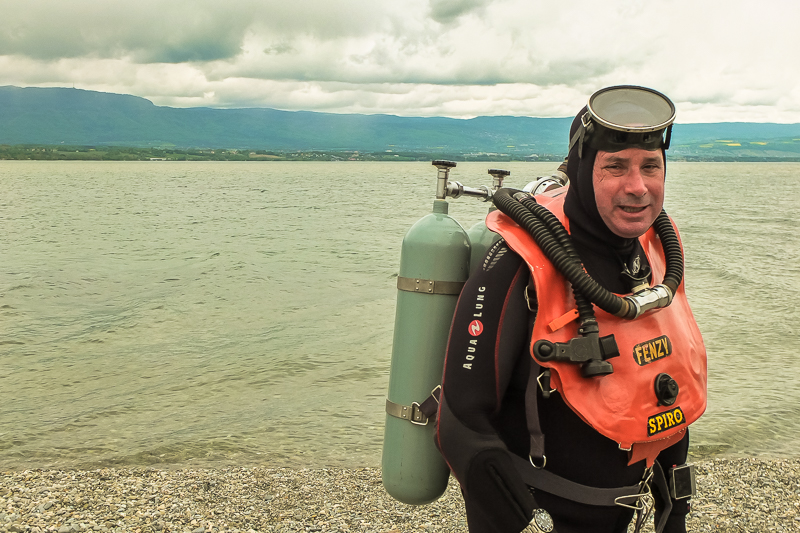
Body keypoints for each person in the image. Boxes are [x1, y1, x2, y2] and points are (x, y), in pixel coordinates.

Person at [435, 86, 707, 533]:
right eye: (615, 167)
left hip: (643, 511)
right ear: (582, 169)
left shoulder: (660, 250)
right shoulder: (518, 260)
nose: (637, 187)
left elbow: (666, 379)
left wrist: (675, 508)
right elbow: (460, 422)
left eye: (651, 166)